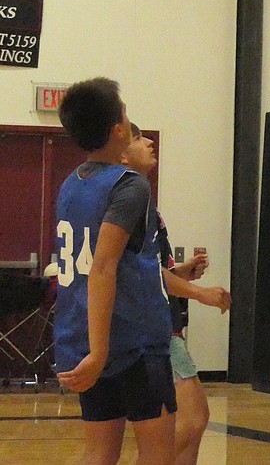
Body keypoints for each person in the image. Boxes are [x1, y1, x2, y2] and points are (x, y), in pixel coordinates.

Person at [53, 78, 176, 465]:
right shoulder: (130, 185)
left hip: (84, 334)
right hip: (131, 341)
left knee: (99, 454)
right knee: (157, 455)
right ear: (118, 129)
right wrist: (101, 350)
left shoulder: (70, 185)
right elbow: (103, 266)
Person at [120, 122, 231, 465]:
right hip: (154, 330)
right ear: (121, 153)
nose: (149, 142)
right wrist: (199, 293)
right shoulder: (129, 202)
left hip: (162, 326)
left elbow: (152, 270)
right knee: (190, 420)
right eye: (139, 138)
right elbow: (147, 275)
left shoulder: (146, 206)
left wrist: (181, 273)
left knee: (193, 423)